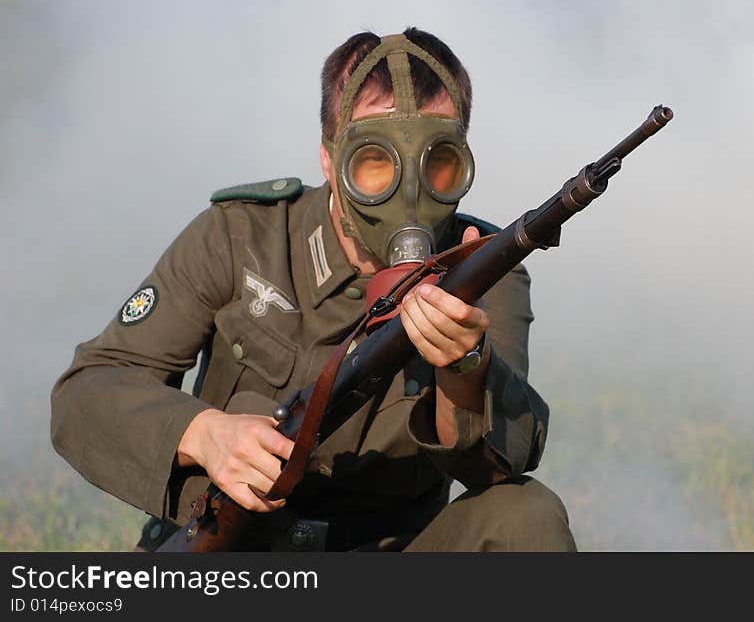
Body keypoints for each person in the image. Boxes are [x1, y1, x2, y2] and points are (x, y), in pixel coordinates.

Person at [51, 28, 576, 552]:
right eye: (375, 163)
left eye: (437, 163)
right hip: (226, 551)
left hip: (387, 551)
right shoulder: (242, 238)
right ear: (329, 160)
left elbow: (497, 465)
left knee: (524, 516)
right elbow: (88, 391)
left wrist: (465, 367)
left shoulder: (483, 269)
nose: (409, 191)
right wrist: (205, 434)